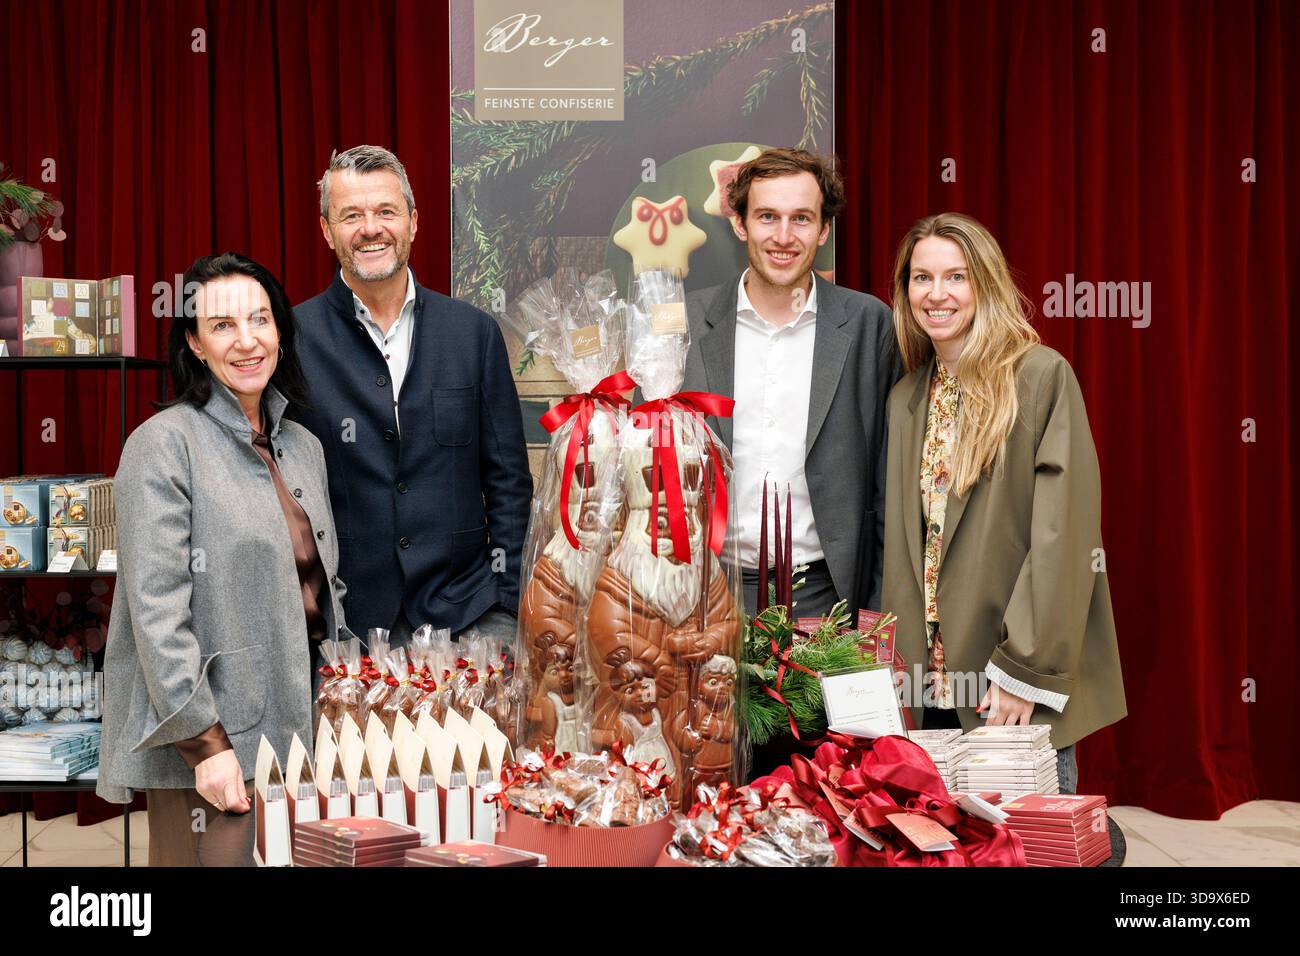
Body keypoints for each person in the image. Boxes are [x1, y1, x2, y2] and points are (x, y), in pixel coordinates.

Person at [97, 253, 348, 865]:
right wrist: (205, 744)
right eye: (222, 326)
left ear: (281, 332)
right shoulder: (162, 445)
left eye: (259, 320)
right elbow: (156, 613)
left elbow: (324, 585)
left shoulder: (304, 446)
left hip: (304, 725)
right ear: (195, 342)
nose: (246, 341)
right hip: (213, 744)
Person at [881, 213, 1127, 793]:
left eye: (956, 277)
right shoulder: (907, 398)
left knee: (1026, 852)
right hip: (931, 686)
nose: (936, 294)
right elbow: (906, 548)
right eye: (921, 278)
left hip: (1006, 682)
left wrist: (1021, 669)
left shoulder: (1039, 378)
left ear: (985, 284)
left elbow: (1061, 538)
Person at [292, 145, 531, 650]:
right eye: (351, 215)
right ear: (326, 230)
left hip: (469, 618)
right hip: (343, 626)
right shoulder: (291, 340)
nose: (370, 228)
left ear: (414, 222)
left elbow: (509, 480)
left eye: (385, 212)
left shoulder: (473, 334)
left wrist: (505, 600)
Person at [681, 147, 901, 618]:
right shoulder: (682, 325)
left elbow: (892, 484)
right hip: (703, 597)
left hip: (827, 598)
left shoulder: (869, 325)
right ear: (739, 224)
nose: (784, 236)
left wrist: (876, 614)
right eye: (767, 217)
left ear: (823, 230)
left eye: (801, 219)